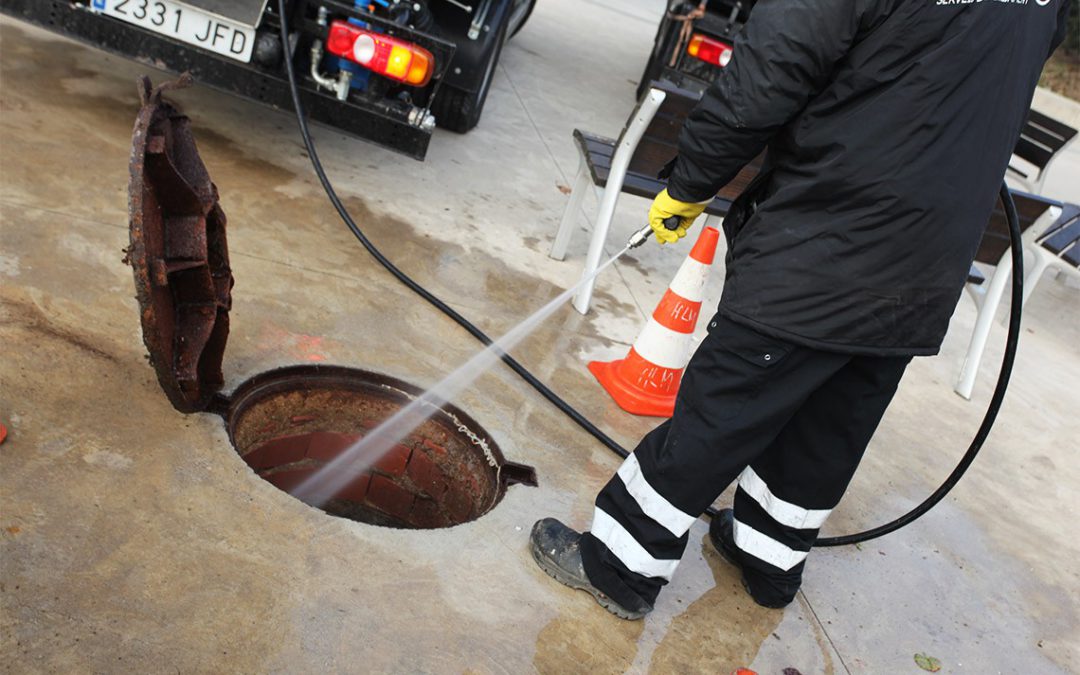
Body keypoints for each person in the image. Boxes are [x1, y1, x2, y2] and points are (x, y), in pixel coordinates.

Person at [529, 0, 1073, 620]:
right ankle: (769, 557)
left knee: (721, 412)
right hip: (928, 264)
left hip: (828, 242)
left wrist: (692, 180)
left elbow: (771, 67)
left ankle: (618, 565)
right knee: (829, 425)